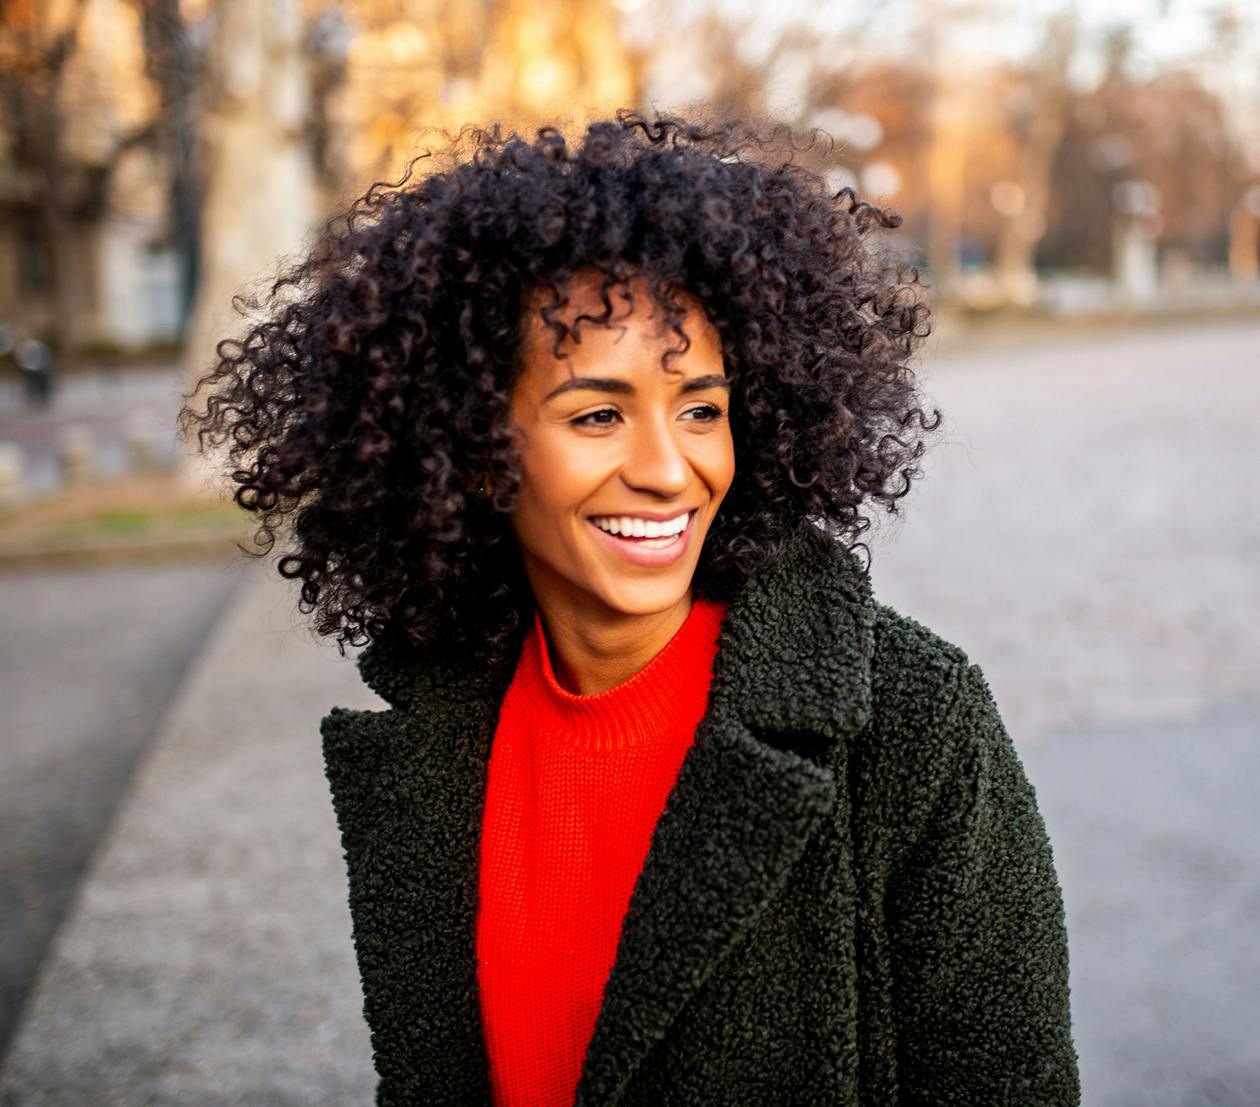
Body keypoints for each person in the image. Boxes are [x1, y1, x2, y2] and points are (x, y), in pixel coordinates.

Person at [179, 111, 1079, 1106]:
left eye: (701, 408)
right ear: (471, 448)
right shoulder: (441, 731)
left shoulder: (912, 719)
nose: (667, 471)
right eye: (598, 414)